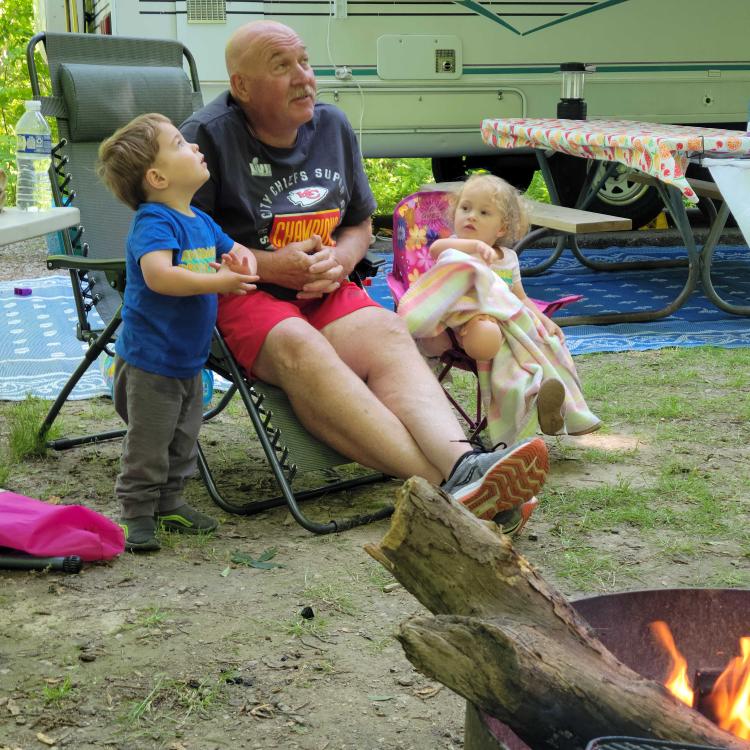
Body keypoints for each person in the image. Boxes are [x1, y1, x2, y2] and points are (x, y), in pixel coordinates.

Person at [180, 20, 548, 533]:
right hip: (240, 293)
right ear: (241, 87)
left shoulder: (331, 126)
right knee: (301, 347)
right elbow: (183, 251)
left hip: (324, 284)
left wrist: (344, 257)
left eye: (304, 62)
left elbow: (356, 223)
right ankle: (461, 483)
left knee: (388, 331)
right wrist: (267, 265)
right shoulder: (203, 140)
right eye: (281, 67)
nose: (303, 77)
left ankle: (463, 467)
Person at [97, 112, 260, 551]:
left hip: (187, 359)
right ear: (158, 176)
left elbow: (239, 251)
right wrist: (220, 282)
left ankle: (169, 503)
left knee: (184, 439)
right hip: (150, 362)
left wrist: (243, 263)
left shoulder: (200, 221)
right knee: (149, 444)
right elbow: (160, 278)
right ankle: (135, 514)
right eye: (180, 145)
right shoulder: (155, 222)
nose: (195, 147)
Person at [398, 173, 601, 447]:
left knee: (545, 343)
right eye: (465, 208)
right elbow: (437, 251)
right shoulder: (453, 247)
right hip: (465, 323)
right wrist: (473, 248)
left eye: (483, 212)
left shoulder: (509, 260)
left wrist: (543, 318)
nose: (471, 216)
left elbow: (520, 298)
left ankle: (544, 399)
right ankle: (534, 395)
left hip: (506, 325)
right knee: (486, 333)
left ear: (502, 228)